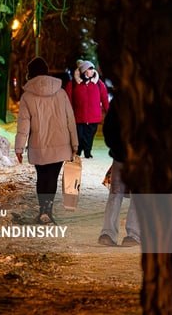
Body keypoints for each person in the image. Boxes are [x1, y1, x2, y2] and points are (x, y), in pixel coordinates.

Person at [15, 57, 79, 224]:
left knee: (41, 177)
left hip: (39, 145)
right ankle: (47, 211)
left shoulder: (27, 97)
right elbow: (70, 119)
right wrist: (75, 144)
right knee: (52, 178)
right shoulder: (61, 92)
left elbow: (24, 124)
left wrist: (19, 148)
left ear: (30, 73)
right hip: (61, 144)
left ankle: (43, 210)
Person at [98, 96, 141, 247]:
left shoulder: (120, 99)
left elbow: (108, 128)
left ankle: (107, 233)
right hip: (138, 156)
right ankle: (133, 234)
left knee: (116, 193)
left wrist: (116, 148)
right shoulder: (149, 98)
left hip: (121, 155)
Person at [65, 60, 109, 158]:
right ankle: (78, 151)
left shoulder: (99, 83)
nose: (92, 71)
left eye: (92, 69)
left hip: (93, 117)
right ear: (84, 71)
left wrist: (109, 112)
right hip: (78, 117)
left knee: (89, 137)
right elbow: (67, 100)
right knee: (79, 136)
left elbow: (105, 99)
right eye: (90, 69)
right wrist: (68, 113)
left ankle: (87, 153)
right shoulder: (73, 84)